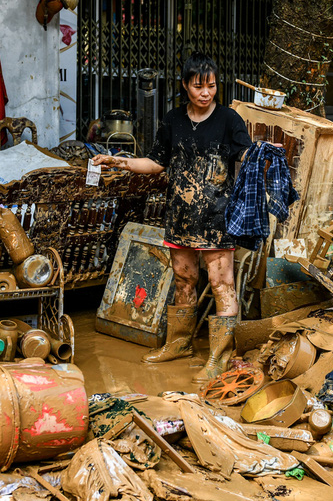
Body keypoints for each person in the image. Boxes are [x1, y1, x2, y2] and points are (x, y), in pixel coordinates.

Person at [92, 54, 251, 385]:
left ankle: (219, 358)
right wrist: (118, 162)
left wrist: (263, 154)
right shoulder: (173, 120)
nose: (206, 93)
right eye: (198, 86)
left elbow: (245, 155)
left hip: (217, 218)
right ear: (185, 86)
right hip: (180, 216)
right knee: (184, 279)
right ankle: (179, 344)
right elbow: (155, 162)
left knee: (222, 284)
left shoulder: (229, 119)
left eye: (211, 86)